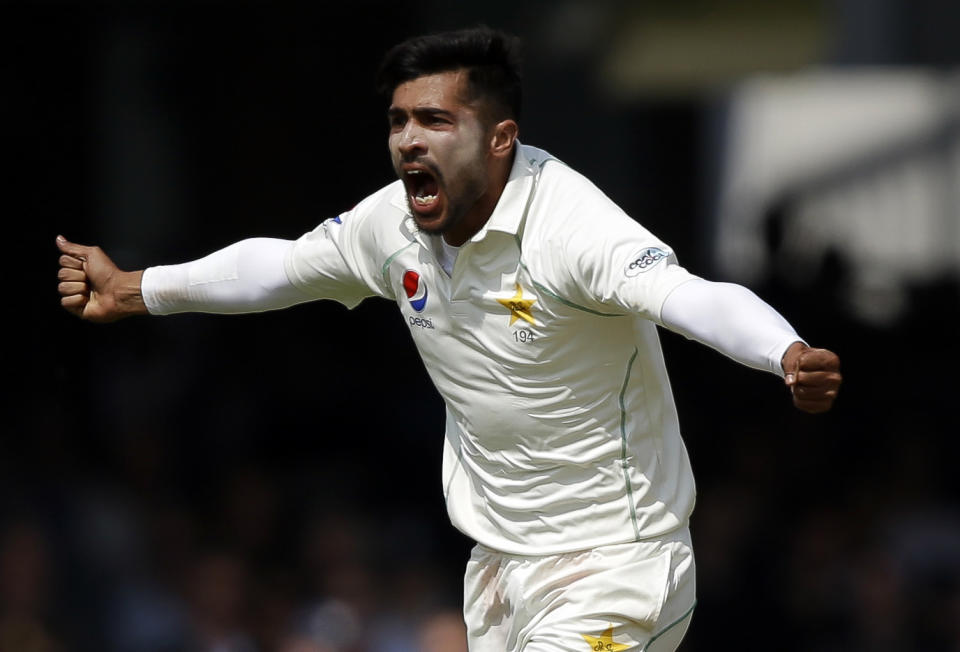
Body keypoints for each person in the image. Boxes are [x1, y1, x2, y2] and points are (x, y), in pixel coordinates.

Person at [56, 26, 841, 652]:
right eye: (399, 121)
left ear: (501, 139)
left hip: (617, 565)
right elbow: (284, 267)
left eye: (435, 120)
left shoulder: (570, 225)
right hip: (497, 571)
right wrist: (137, 289)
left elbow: (691, 298)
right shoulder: (391, 224)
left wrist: (784, 352)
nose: (408, 141)